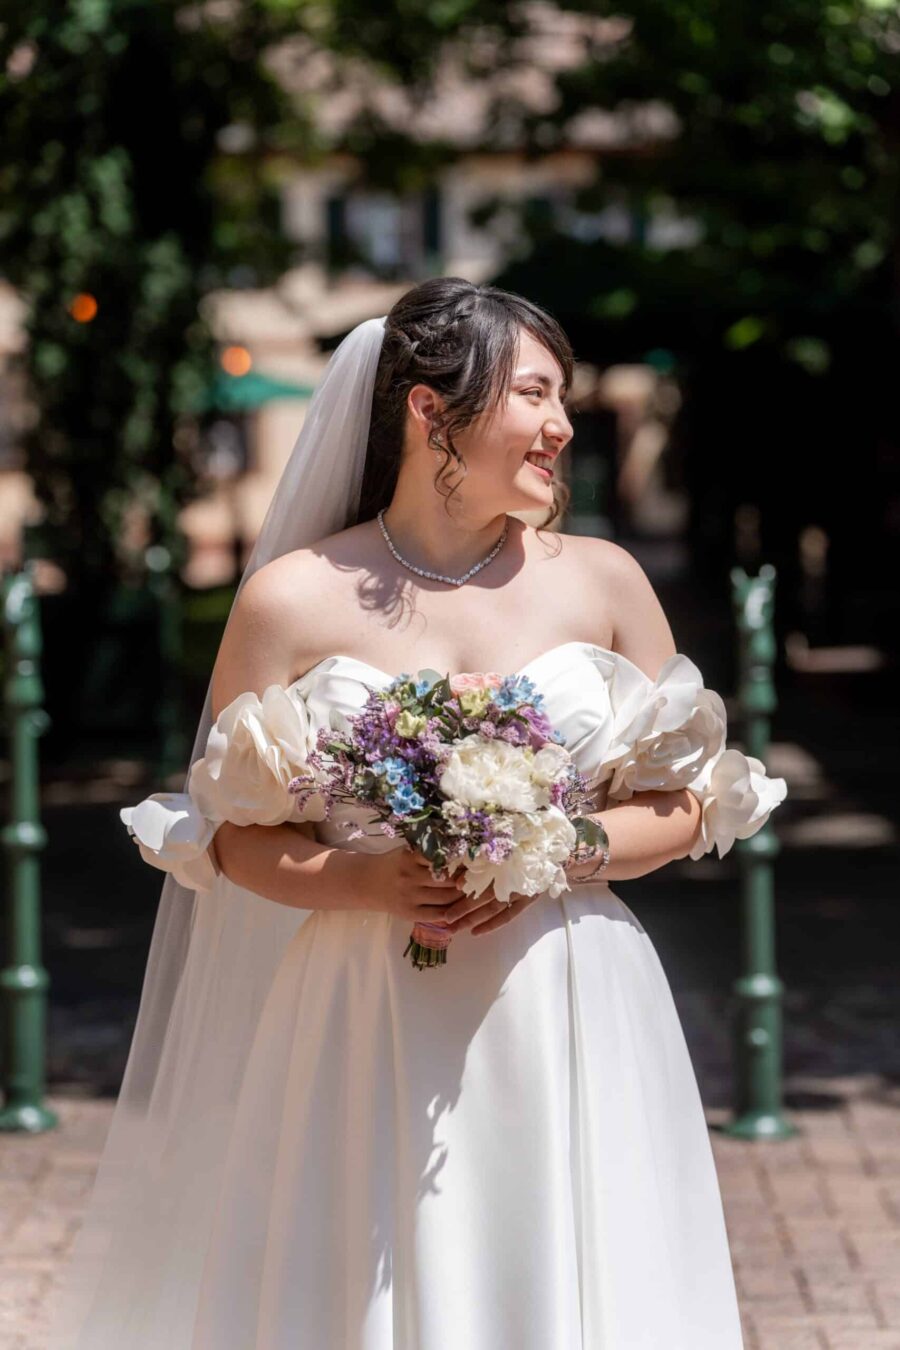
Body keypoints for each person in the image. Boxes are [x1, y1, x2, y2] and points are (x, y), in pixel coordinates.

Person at [47, 277, 786, 1348]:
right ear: (430, 411)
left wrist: (562, 847)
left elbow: (691, 802)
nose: (563, 423)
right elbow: (233, 833)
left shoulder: (607, 581)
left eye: (563, 394)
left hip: (565, 994)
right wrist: (359, 881)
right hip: (359, 1002)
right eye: (535, 392)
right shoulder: (289, 600)